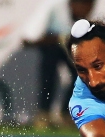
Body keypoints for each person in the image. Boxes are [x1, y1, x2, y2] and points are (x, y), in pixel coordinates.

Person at [21, 0, 96, 129]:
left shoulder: (90, 18)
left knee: (82, 74)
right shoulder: (52, 6)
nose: (86, 11)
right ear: (72, 4)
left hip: (72, 46)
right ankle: (43, 114)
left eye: (90, 6)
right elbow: (28, 39)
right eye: (83, 5)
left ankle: (67, 114)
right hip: (50, 44)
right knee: (49, 74)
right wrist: (57, 38)